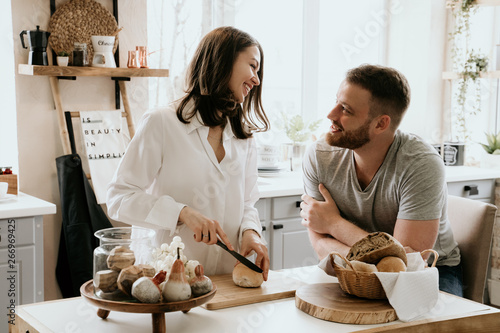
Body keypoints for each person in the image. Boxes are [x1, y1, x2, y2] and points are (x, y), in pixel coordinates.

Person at [107, 26, 270, 280]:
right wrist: (181, 213)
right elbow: (119, 199)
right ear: (222, 61)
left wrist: (251, 232)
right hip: (166, 281)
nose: (256, 79)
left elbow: (248, 202)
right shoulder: (161, 123)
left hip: (225, 283)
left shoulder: (243, 136)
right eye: (252, 66)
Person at [300, 64, 462, 296]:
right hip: (352, 269)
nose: (331, 115)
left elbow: (407, 265)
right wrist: (381, 259)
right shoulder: (319, 156)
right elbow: (320, 245)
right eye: (336, 102)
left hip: (434, 271)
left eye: (345, 109)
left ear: (380, 124)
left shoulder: (421, 164)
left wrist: (334, 223)